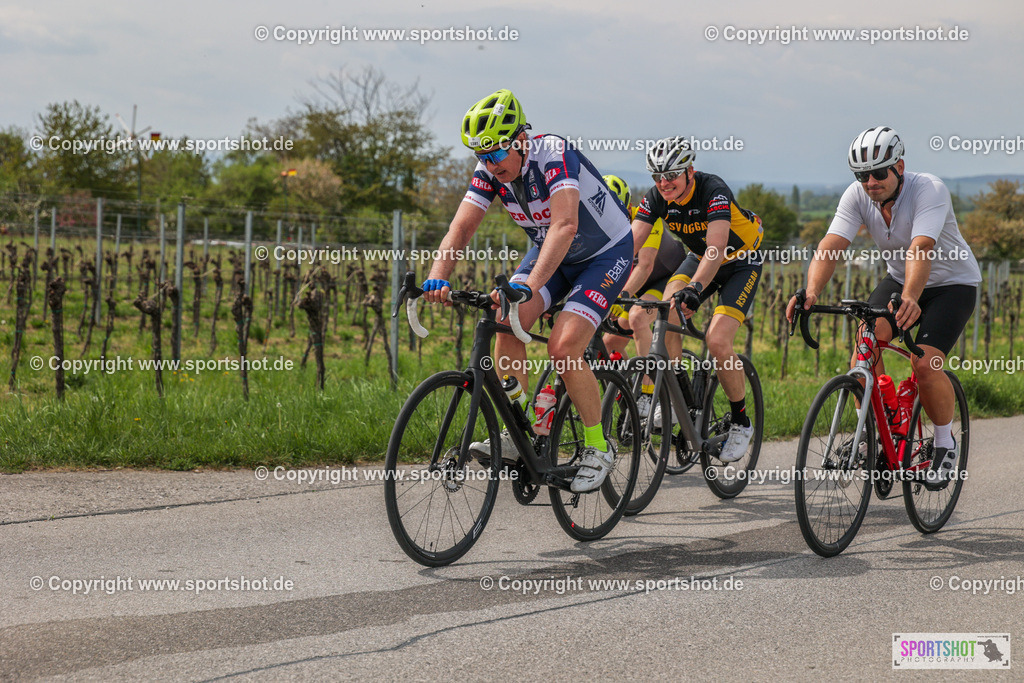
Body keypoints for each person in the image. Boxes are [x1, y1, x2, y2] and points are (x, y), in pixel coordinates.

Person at [420, 89, 634, 493]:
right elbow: (462, 227)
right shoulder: (489, 172)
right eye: (481, 156)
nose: (489, 163)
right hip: (553, 252)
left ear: (520, 139)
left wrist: (530, 285)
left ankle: (596, 445)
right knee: (505, 322)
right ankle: (519, 432)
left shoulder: (553, 154)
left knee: (564, 346)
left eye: (497, 153)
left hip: (604, 254)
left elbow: (566, 225)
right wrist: (438, 275)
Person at [786, 126, 981, 482]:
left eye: (879, 172)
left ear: (900, 167)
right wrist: (811, 290)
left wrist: (910, 297)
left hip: (952, 284)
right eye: (862, 175)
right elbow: (831, 245)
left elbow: (921, 247)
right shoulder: (857, 196)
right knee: (865, 343)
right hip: (899, 279)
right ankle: (872, 435)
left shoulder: (929, 189)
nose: (870, 181)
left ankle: (943, 442)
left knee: (925, 364)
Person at [629, 136, 764, 462]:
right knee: (663, 314)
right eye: (657, 177)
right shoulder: (655, 197)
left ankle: (741, 421)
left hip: (739, 263)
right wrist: (607, 287)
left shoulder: (713, 190)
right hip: (699, 257)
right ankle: (678, 397)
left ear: (690, 170)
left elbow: (717, 248)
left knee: (718, 342)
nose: (664, 183)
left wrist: (696, 287)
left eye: (672, 175)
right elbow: (628, 246)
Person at [599, 174, 687, 418]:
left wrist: (620, 294)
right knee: (609, 344)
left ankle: (649, 394)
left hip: (666, 276)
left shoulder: (647, 218)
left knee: (638, 318)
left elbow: (645, 266)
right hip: (638, 285)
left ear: (628, 206)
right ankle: (629, 389)